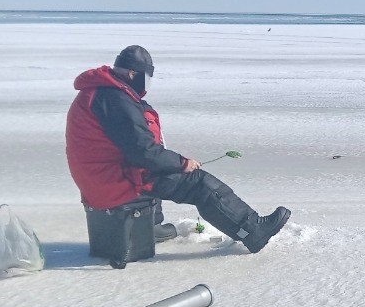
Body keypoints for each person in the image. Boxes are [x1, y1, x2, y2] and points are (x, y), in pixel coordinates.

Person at [66, 45, 291, 253]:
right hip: (115, 181)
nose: (147, 84)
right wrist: (183, 163)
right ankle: (252, 231)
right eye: (146, 78)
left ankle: (151, 227)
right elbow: (143, 152)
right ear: (134, 74)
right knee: (198, 183)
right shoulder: (115, 99)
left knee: (157, 170)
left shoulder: (103, 92)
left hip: (100, 179)